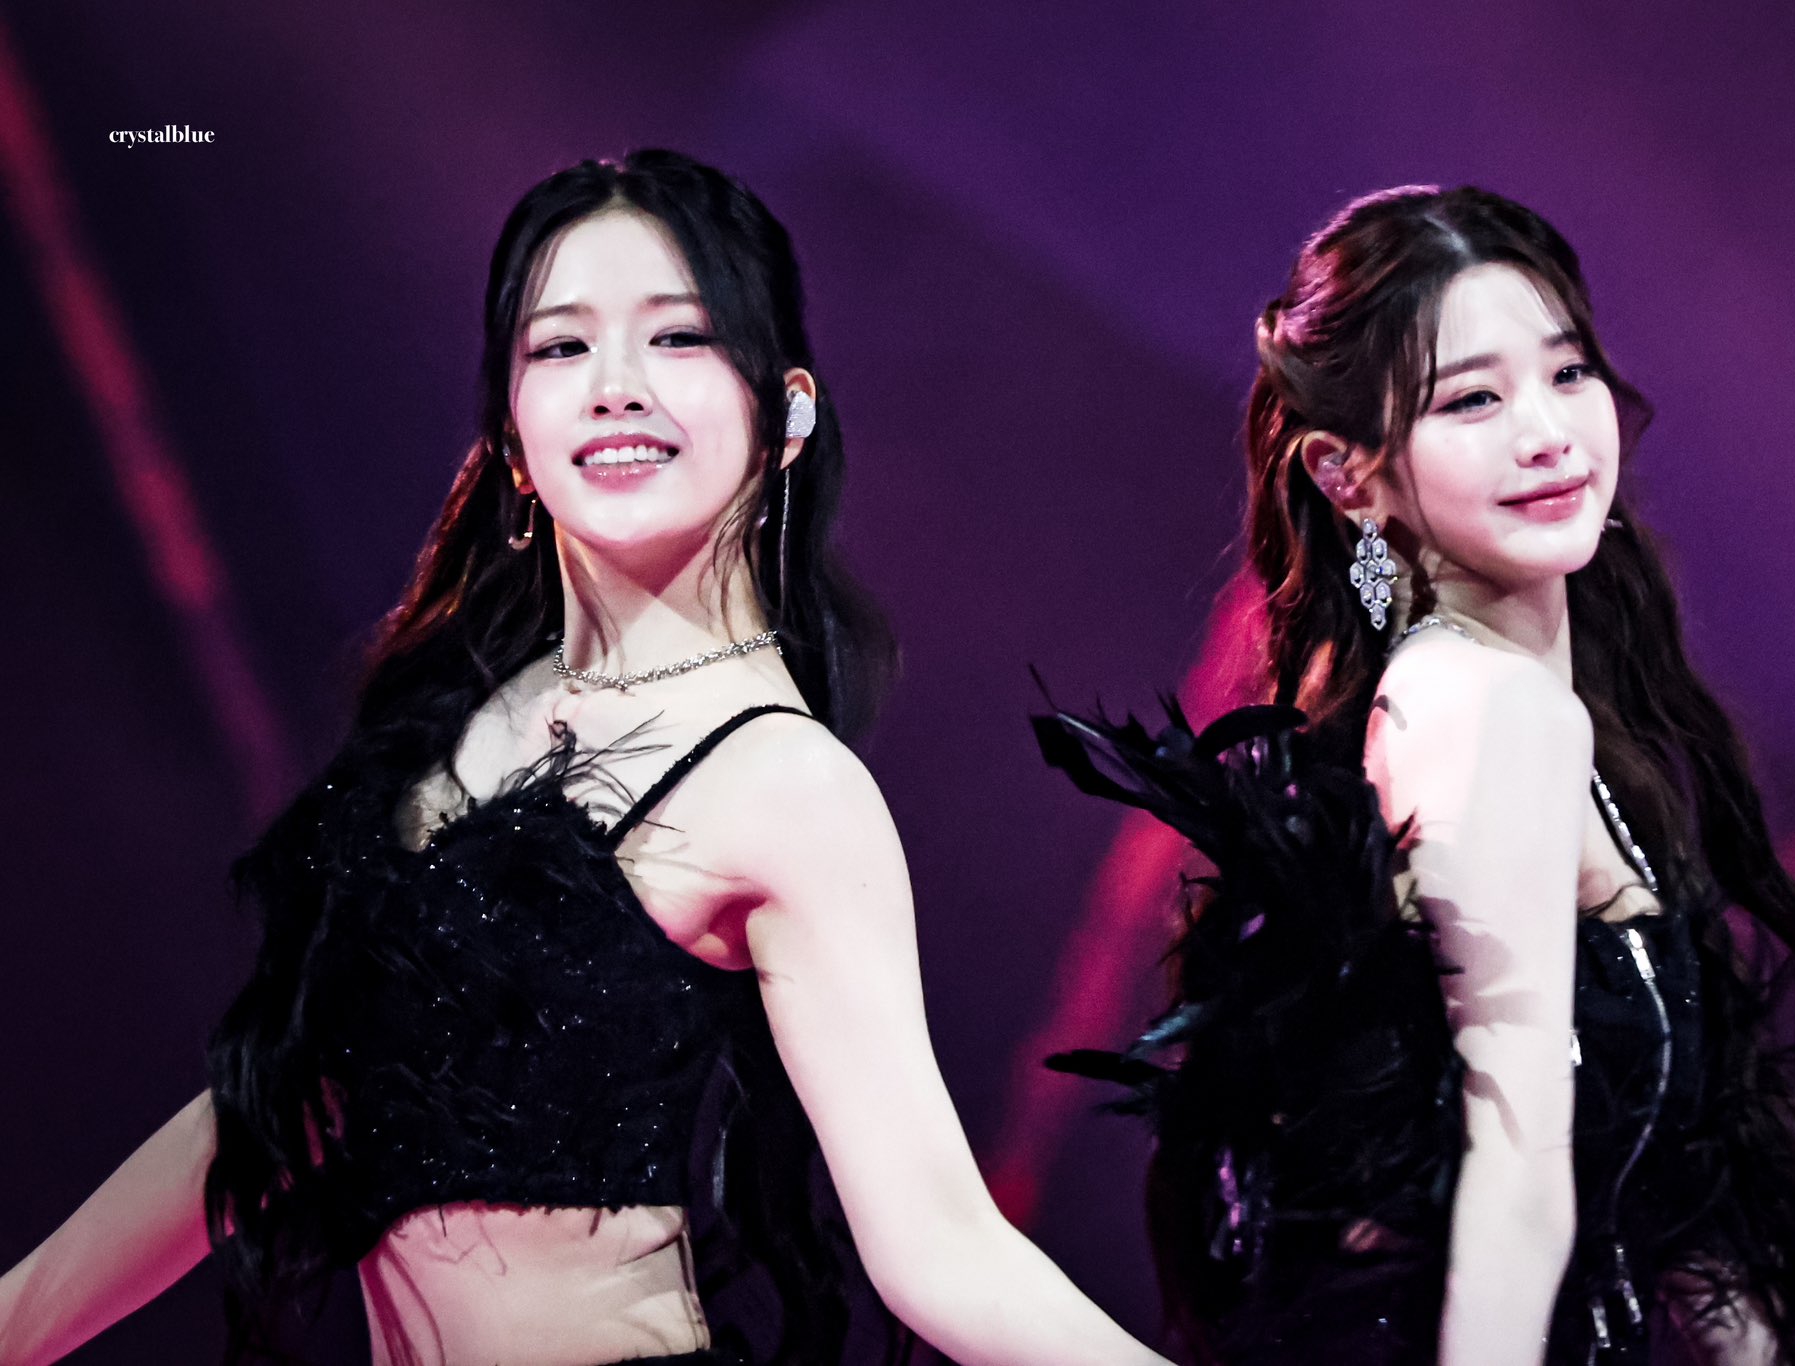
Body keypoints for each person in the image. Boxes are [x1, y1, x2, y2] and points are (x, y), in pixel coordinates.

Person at [0, 150, 1167, 1366]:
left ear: (786, 412)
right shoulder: (458, 722)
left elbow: (943, 1250)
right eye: (561, 347)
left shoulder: (784, 786)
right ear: (510, 431)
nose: (614, 387)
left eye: (678, 337)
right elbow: (282, 1102)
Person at [1038, 186, 1795, 1364]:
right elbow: (1517, 1179)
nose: (1545, 432)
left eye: (1566, 371)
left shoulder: (1505, 708)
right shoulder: (1480, 707)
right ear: (1347, 474)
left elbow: (1654, 1187)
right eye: (1471, 399)